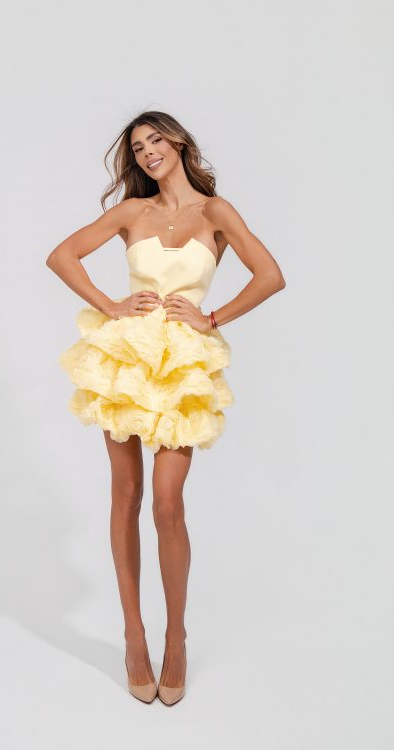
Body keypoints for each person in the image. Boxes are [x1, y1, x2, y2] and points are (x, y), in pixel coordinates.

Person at [46, 110, 286, 705]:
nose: (147, 152)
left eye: (155, 140)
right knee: (125, 495)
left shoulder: (216, 212)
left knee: (167, 502)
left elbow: (270, 275)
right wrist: (110, 305)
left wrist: (212, 318)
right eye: (137, 147)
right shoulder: (133, 211)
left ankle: (175, 637)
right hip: (126, 361)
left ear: (178, 142)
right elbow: (62, 255)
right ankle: (134, 636)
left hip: (182, 366)